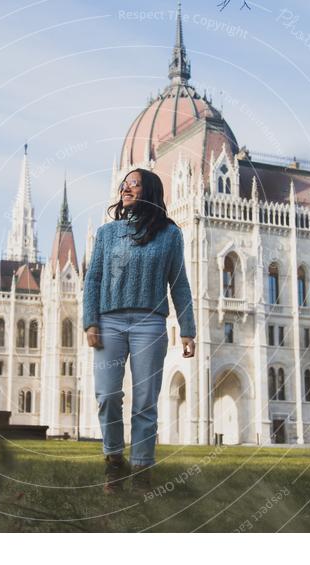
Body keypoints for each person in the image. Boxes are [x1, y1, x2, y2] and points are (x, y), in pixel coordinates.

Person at [83, 168, 196, 496]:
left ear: (149, 191)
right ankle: (114, 461)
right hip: (109, 322)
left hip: (150, 324)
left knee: (145, 401)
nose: (126, 188)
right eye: (124, 184)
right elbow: (93, 279)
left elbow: (180, 283)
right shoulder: (107, 234)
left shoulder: (170, 235)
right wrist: (91, 320)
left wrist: (187, 329)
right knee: (107, 396)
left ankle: (143, 469)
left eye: (134, 183)